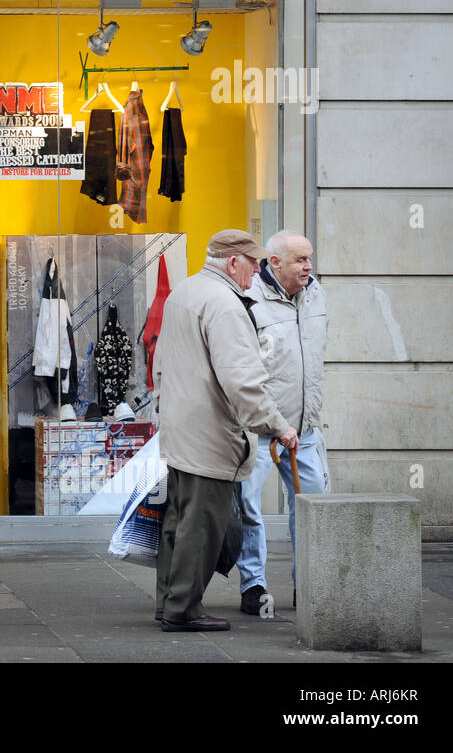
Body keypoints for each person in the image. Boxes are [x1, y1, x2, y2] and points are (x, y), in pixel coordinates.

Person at [152, 229, 298, 631]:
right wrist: (279, 426)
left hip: (181, 430)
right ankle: (184, 610)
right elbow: (243, 383)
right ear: (233, 262)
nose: (257, 271)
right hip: (210, 435)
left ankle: (169, 602)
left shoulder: (185, 292)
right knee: (202, 527)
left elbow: (160, 362)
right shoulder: (225, 305)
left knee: (178, 522)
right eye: (253, 263)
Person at [237, 230, 329, 615]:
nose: (308, 266)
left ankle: (308, 584)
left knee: (313, 509)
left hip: (304, 429)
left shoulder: (316, 294)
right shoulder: (249, 300)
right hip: (259, 429)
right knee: (249, 508)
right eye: (299, 260)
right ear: (274, 263)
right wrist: (269, 420)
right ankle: (253, 585)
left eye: (309, 258)